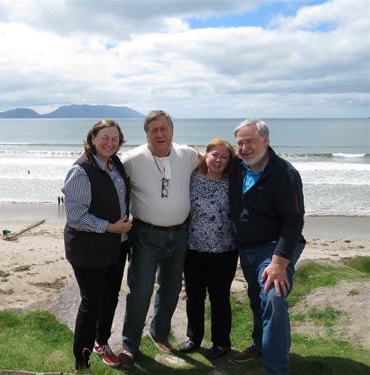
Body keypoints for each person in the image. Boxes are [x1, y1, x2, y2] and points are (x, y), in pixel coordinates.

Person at [119, 110, 199, 367]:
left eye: (164, 128)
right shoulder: (132, 159)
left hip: (180, 234)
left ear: (172, 131)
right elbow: (105, 172)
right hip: (145, 234)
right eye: (154, 130)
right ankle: (130, 345)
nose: (160, 134)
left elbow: (218, 161)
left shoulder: (187, 154)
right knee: (140, 290)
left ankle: (159, 332)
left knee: (172, 288)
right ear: (146, 134)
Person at [228, 119, 305, 375]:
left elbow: (294, 220)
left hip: (275, 250)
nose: (244, 147)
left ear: (265, 140)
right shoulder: (238, 167)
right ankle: (259, 345)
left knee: (274, 298)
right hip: (247, 247)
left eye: (250, 141)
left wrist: (278, 263)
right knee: (256, 299)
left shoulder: (285, 173)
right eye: (240, 143)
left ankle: (276, 369)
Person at [62, 119, 132, 372]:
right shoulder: (81, 170)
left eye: (115, 139)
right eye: (104, 137)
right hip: (88, 248)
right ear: (92, 138)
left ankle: (101, 343)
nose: (109, 143)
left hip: (117, 245)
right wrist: (110, 227)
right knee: (91, 303)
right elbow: (76, 217)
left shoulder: (115, 164)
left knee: (111, 297)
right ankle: (82, 362)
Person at [179, 138, 238, 360]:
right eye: (215, 154)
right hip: (193, 249)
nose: (219, 160)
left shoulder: (233, 181)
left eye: (224, 157)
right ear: (206, 154)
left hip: (225, 251)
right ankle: (194, 338)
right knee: (194, 297)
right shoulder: (192, 178)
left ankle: (221, 343)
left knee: (220, 298)